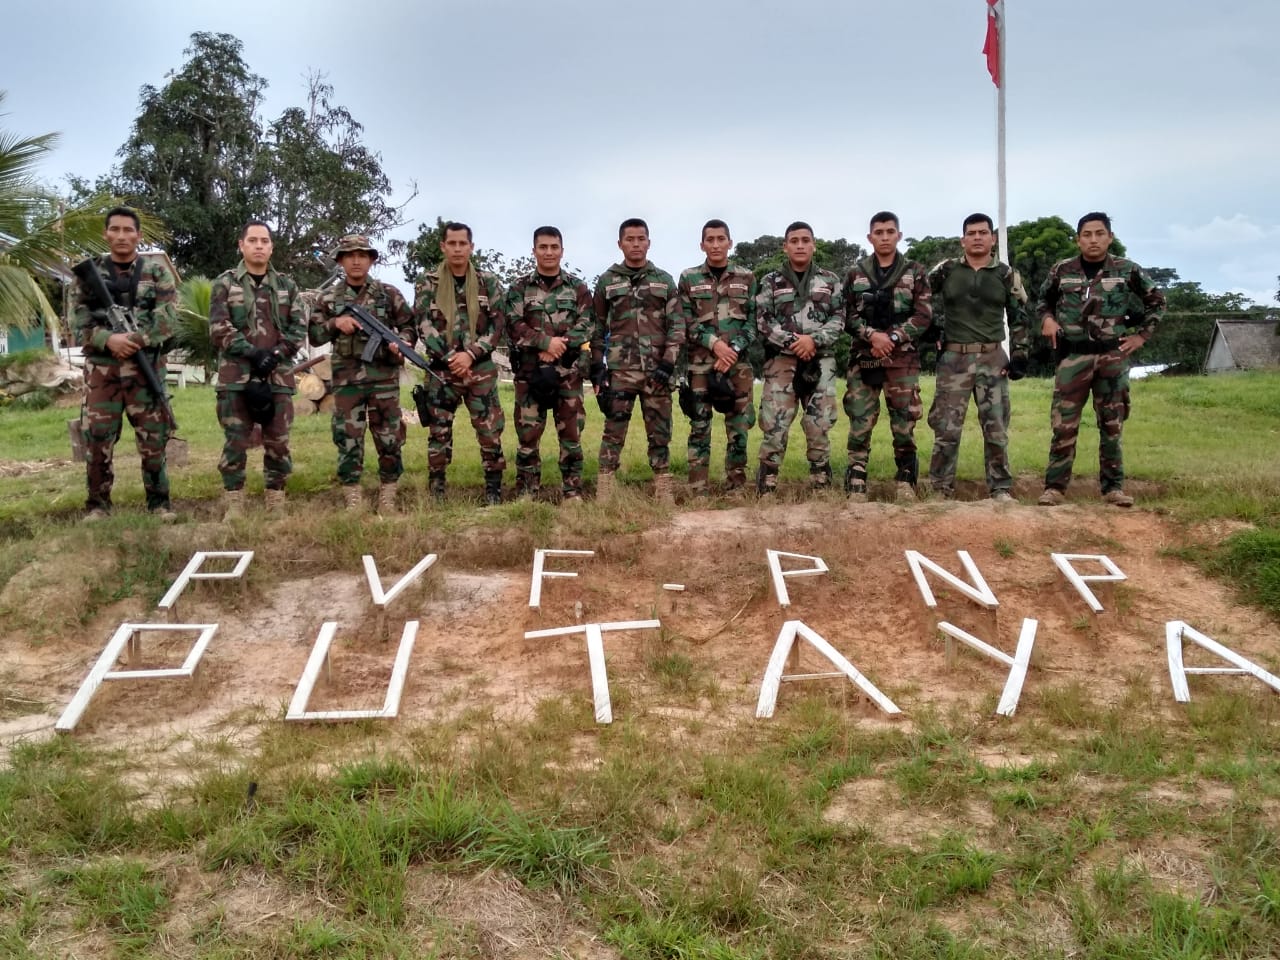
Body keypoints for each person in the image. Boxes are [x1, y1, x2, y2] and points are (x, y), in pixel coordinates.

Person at [1037, 212, 1164, 508]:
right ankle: (1055, 488)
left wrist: (1141, 336)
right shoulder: (1062, 270)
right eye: (1086, 234)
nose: (1093, 240)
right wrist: (1047, 320)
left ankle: (1113, 488)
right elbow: (1043, 300)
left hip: (1111, 356)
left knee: (1111, 423)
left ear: (1109, 237)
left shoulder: (1126, 270)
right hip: (1073, 356)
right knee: (1063, 424)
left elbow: (1157, 302)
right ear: (1078, 239)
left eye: (1099, 233)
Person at [73, 206, 178, 520]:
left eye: (128, 230)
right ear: (106, 234)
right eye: (115, 230)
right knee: (98, 438)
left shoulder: (156, 272)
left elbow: (169, 319)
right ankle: (97, 506)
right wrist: (108, 340)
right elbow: (78, 323)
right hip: (103, 372)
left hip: (145, 369)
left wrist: (134, 341)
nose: (121, 236)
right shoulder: (89, 275)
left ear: (138, 236)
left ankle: (159, 504)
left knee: (153, 438)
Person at [926, 213, 1030, 502]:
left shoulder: (1006, 274)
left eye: (983, 232)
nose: (977, 237)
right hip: (953, 359)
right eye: (971, 233)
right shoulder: (946, 271)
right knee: (946, 429)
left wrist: (1020, 353)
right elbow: (918, 296)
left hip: (992, 358)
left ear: (992, 238)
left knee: (996, 427)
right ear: (962, 240)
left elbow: (1020, 316)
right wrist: (929, 326)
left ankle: (1000, 488)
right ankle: (940, 489)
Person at [309, 235, 417, 513]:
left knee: (389, 436)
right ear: (341, 260)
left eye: (362, 255)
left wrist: (400, 343)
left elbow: (409, 327)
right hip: (347, 380)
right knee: (347, 437)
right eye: (350, 255)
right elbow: (315, 333)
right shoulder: (329, 297)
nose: (356, 260)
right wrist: (336, 322)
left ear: (371, 260)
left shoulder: (388, 293)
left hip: (384, 378)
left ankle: (388, 496)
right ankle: (352, 497)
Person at [210, 220, 305, 515]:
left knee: (278, 440)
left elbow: (298, 327)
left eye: (264, 241)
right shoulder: (225, 283)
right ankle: (234, 503)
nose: (259, 246)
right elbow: (219, 327)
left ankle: (275, 501)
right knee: (236, 441)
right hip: (236, 377)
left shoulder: (287, 285)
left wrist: (275, 354)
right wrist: (252, 352)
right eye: (253, 240)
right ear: (241, 245)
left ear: (271, 247)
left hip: (277, 377)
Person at [589, 218, 684, 503]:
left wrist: (669, 362)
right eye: (630, 239)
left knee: (660, 431)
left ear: (649, 242)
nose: (636, 244)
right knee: (613, 429)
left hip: (658, 370)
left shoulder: (664, 280)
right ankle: (605, 488)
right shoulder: (607, 281)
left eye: (641, 239)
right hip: (620, 370)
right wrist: (597, 368)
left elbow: (677, 326)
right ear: (620, 244)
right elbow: (596, 327)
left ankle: (663, 487)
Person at [842, 211, 932, 502]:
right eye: (878, 232)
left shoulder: (915, 271)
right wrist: (872, 336)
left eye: (889, 232)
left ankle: (906, 477)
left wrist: (892, 337)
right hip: (865, 356)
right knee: (860, 418)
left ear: (899, 235)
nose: (884, 237)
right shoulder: (856, 273)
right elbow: (846, 316)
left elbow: (923, 315)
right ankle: (856, 475)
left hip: (902, 358)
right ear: (870, 237)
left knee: (904, 419)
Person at [415, 221, 507, 505]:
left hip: (480, 370)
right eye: (451, 243)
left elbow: (498, 323)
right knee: (439, 432)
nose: (457, 249)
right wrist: (450, 357)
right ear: (443, 246)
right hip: (443, 372)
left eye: (462, 244)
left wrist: (471, 354)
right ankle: (437, 489)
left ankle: (493, 489)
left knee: (489, 431)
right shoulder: (427, 283)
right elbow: (422, 323)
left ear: (471, 247)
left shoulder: (487, 282)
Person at [501, 227, 594, 503]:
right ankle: (527, 491)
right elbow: (513, 324)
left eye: (554, 247)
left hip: (568, 373)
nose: (549, 252)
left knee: (571, 435)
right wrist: (544, 344)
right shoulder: (520, 288)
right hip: (530, 373)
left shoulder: (577, 288)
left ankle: (572, 490)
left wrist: (558, 346)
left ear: (562, 251)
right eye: (543, 247)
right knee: (528, 436)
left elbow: (587, 325)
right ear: (534, 251)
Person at [754, 221, 845, 494]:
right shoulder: (770, 281)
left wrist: (813, 340)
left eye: (805, 240)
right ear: (785, 246)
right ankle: (767, 481)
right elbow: (762, 320)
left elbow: (839, 318)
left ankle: (820, 480)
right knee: (775, 422)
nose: (800, 245)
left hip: (821, 359)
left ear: (814, 244)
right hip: (782, 360)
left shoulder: (830, 280)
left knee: (819, 422)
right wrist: (794, 341)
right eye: (794, 241)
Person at [676, 219, 758, 495]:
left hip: (738, 366)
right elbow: (685, 320)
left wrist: (732, 349)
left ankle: (736, 485)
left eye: (720, 239)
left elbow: (754, 322)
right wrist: (713, 344)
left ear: (730, 243)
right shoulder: (689, 278)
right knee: (699, 426)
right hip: (701, 365)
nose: (715, 244)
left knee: (739, 427)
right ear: (702, 245)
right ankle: (698, 488)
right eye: (709, 240)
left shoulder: (747, 277)